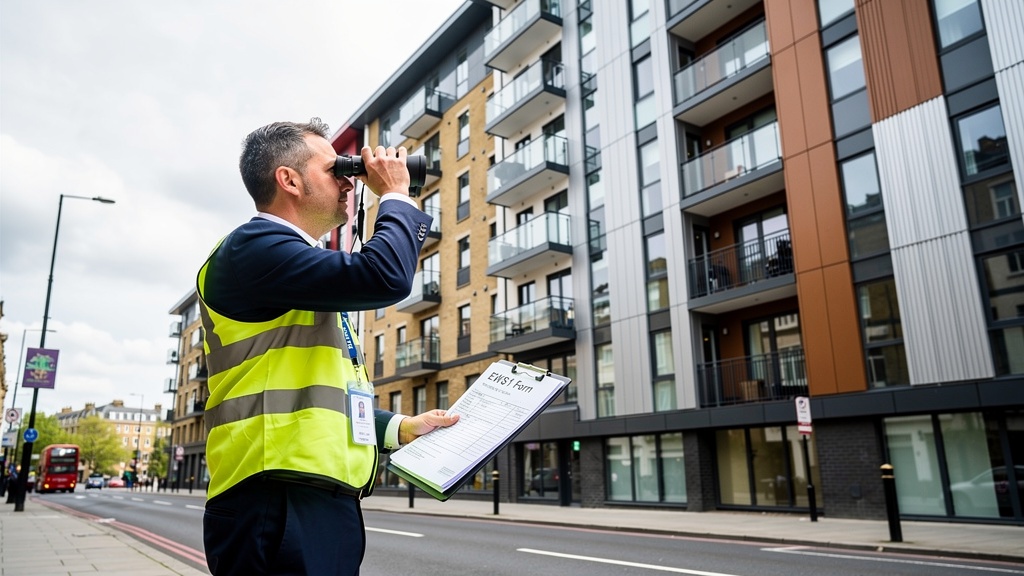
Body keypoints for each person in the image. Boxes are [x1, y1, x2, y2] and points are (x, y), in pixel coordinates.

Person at [197, 118, 459, 576]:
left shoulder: (299, 272)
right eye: (335, 168)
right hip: (272, 498)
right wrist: (394, 194)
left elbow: (316, 397)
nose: (348, 179)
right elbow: (384, 276)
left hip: (318, 499)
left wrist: (399, 426)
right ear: (289, 180)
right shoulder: (253, 248)